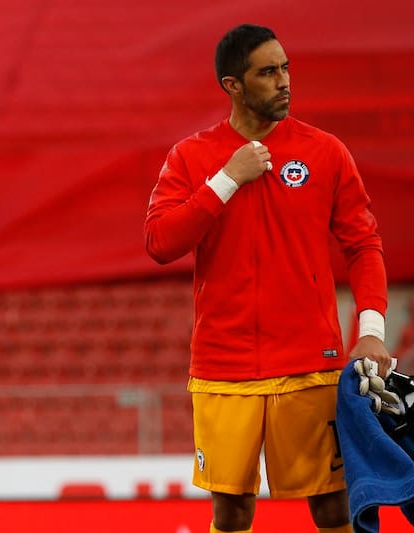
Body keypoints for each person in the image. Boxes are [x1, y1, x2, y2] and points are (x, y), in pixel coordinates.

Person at [144, 24, 391, 533]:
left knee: (332, 507)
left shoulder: (325, 152)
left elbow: (363, 245)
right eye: (268, 72)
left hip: (309, 363)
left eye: (286, 69)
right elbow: (161, 243)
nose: (284, 82)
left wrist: (371, 329)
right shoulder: (191, 157)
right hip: (223, 366)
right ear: (232, 85)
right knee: (231, 512)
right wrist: (227, 179)